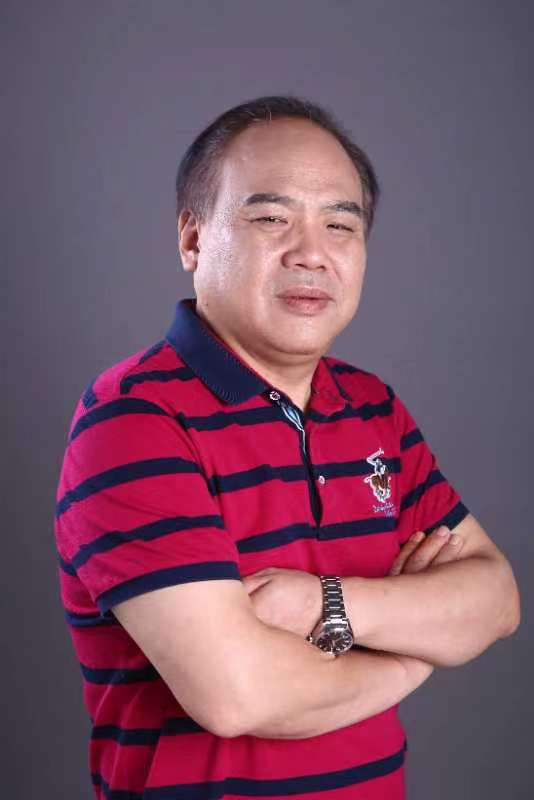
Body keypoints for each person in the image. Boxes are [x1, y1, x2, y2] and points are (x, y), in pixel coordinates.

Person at [54, 95, 520, 800]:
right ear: (192, 239)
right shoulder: (135, 418)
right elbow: (237, 695)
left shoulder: (372, 407)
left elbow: (496, 600)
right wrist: (414, 654)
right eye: (271, 218)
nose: (311, 253)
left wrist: (321, 603)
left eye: (341, 225)